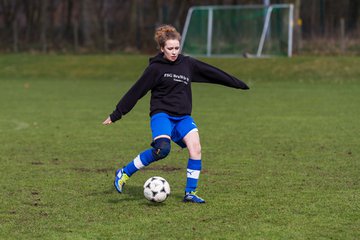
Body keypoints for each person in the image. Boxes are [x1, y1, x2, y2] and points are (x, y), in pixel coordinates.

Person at [103, 24, 249, 203]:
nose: (174, 52)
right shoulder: (155, 69)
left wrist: (237, 83)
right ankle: (124, 173)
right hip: (162, 115)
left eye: (177, 48)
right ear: (162, 48)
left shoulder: (188, 64)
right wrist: (117, 113)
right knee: (162, 150)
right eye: (170, 48)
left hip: (183, 117)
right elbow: (136, 91)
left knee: (196, 149)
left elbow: (213, 73)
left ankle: (190, 193)